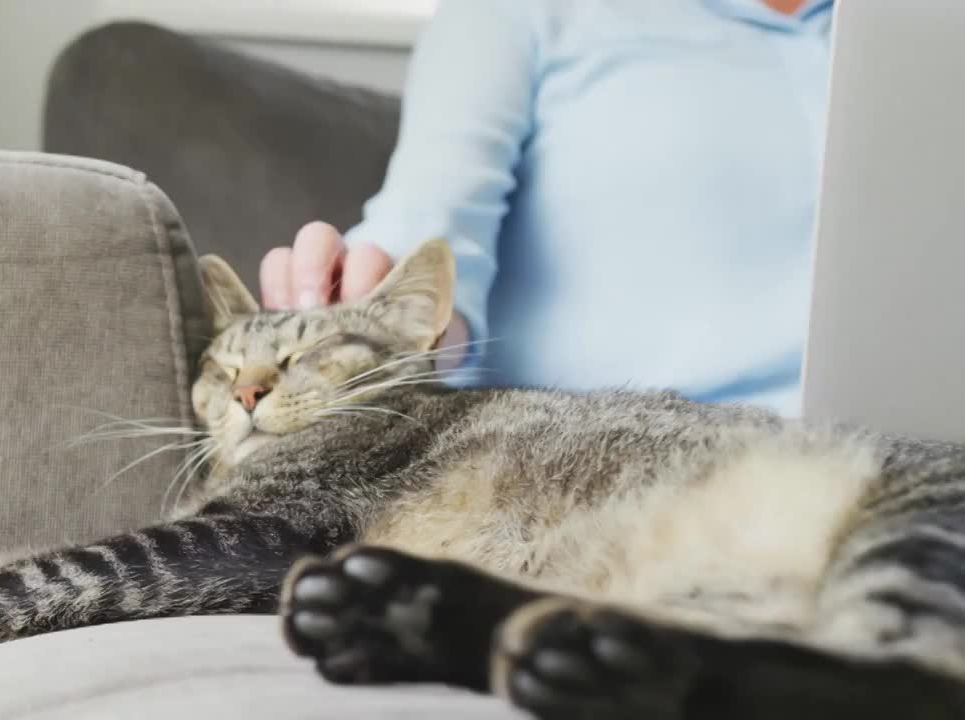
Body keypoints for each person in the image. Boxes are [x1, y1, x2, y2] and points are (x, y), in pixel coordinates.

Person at [259, 0, 832, 416]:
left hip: (898, 462)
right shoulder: (523, 11)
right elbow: (432, 221)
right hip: (622, 477)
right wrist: (367, 294)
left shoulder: (906, 29)